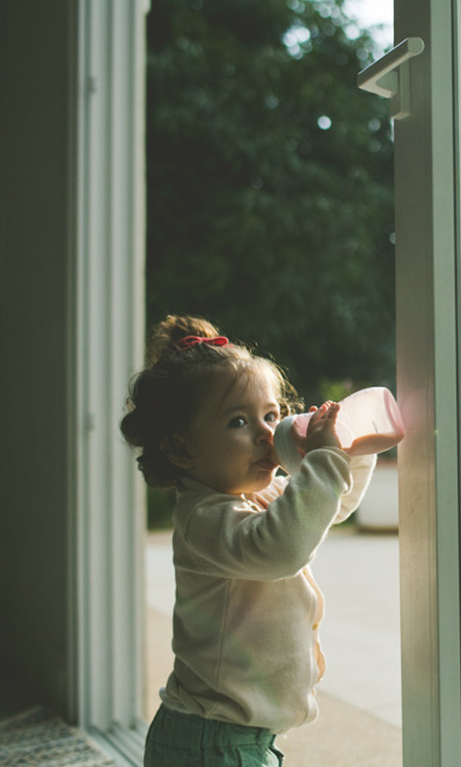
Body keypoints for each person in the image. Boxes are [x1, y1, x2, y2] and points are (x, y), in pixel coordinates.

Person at [120, 314, 376, 767]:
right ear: (181, 449)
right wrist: (323, 462)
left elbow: (330, 506)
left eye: (272, 415)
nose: (265, 434)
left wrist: (349, 449)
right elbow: (283, 548)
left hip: (234, 736)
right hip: (210, 740)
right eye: (239, 421)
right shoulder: (204, 519)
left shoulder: (257, 495)